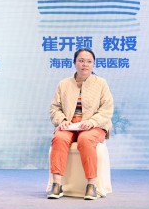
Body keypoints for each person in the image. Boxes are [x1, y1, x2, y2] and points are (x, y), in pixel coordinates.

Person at [47, 48, 114, 200]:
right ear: (74, 62)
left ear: (93, 64)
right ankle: (57, 184)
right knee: (59, 138)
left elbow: (107, 109)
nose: (85, 64)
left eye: (89, 61)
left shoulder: (101, 83)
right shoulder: (64, 84)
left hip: (93, 125)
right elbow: (54, 108)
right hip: (70, 125)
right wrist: (62, 121)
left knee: (85, 139)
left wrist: (92, 121)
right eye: (81, 61)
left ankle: (91, 185)